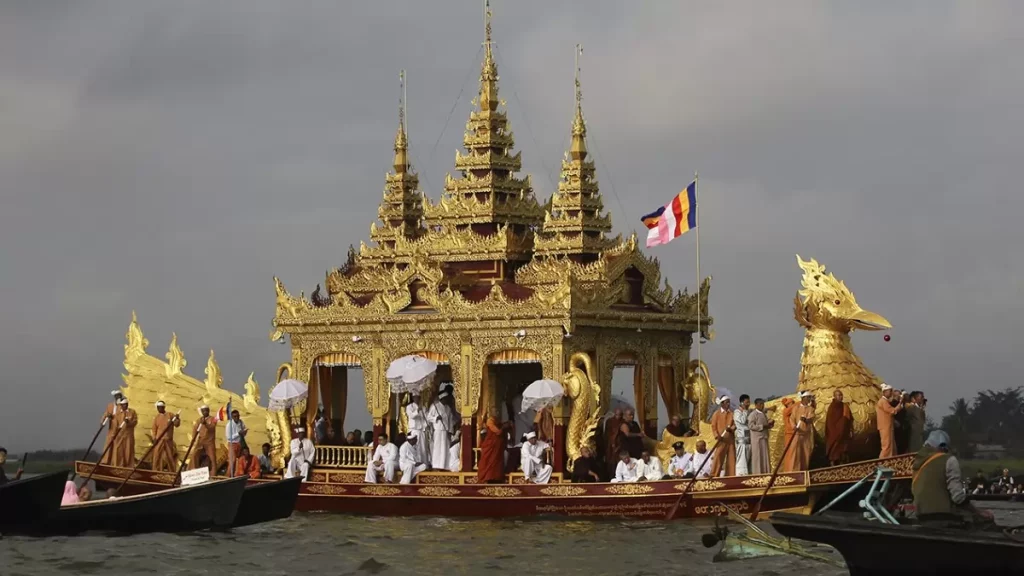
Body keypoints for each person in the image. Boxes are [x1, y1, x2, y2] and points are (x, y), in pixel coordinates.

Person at [912, 429, 994, 526]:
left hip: (921, 518)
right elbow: (958, 498)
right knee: (982, 521)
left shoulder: (916, 463)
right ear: (944, 446)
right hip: (944, 518)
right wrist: (979, 512)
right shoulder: (949, 460)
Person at [477, 409, 510, 484]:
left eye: (498, 411)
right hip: (490, 445)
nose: (497, 413)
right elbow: (498, 431)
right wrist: (504, 427)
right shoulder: (490, 421)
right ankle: (486, 478)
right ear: (491, 412)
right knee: (488, 462)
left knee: (497, 462)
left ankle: (497, 478)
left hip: (497, 445)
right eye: (495, 411)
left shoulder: (497, 420)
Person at [427, 390, 456, 470]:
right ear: (442, 398)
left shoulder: (448, 408)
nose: (446, 400)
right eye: (445, 398)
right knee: (438, 448)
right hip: (438, 430)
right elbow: (428, 418)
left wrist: (450, 431)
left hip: (446, 431)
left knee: (445, 448)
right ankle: (437, 465)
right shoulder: (435, 406)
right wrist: (436, 418)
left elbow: (450, 421)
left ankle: (445, 466)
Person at [825, 390, 853, 466]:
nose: (840, 397)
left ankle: (842, 462)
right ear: (834, 396)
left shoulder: (845, 406)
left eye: (841, 395)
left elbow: (849, 419)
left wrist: (850, 429)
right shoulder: (832, 407)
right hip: (834, 432)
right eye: (838, 395)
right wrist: (833, 430)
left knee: (843, 448)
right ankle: (832, 462)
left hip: (844, 431)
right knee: (834, 447)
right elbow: (829, 421)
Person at [789, 391, 816, 471]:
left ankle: (804, 470)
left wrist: (806, 420)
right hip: (797, 433)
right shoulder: (796, 408)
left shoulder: (810, 409)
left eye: (810, 397)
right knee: (795, 453)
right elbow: (792, 419)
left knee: (805, 453)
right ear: (803, 398)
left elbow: (811, 419)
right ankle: (794, 471)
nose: (809, 399)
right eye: (808, 397)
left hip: (806, 434)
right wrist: (794, 426)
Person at [151, 401, 180, 472]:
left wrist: (177, 419)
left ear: (164, 407)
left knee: (169, 456)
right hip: (159, 439)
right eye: (158, 408)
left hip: (168, 439)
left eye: (160, 407)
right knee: (157, 455)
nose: (159, 409)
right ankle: (156, 471)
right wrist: (154, 438)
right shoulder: (157, 417)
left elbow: (177, 424)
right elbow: (154, 429)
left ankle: (171, 471)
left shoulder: (170, 415)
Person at [710, 396, 736, 477]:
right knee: (718, 456)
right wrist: (717, 436)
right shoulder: (716, 414)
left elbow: (734, 425)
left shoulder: (731, 413)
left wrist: (731, 429)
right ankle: (714, 474)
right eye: (726, 402)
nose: (728, 404)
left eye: (729, 402)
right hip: (721, 439)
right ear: (722, 403)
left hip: (730, 439)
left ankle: (731, 475)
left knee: (731, 458)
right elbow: (713, 426)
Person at [876, 383, 903, 458]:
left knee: (891, 445)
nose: (891, 393)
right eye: (889, 391)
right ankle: (883, 461)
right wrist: (900, 403)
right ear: (884, 392)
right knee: (887, 445)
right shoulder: (883, 401)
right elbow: (892, 411)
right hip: (885, 426)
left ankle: (891, 459)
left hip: (888, 426)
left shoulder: (886, 401)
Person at [748, 398, 774, 474]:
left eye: (763, 404)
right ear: (756, 405)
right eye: (760, 404)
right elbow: (751, 426)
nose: (762, 406)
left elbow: (766, 423)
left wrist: (770, 423)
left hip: (764, 438)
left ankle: (765, 472)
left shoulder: (763, 414)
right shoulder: (753, 414)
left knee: (764, 456)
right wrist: (762, 426)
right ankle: (757, 473)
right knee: (757, 457)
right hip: (757, 439)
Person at [190, 405, 219, 474]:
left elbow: (212, 427)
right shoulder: (199, 420)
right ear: (202, 412)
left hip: (209, 442)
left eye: (206, 410)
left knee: (212, 457)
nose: (205, 412)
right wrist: (193, 439)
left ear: (209, 411)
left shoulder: (214, 419)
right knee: (194, 455)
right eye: (203, 411)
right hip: (201, 442)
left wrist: (205, 424)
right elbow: (195, 430)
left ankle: (213, 473)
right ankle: (193, 472)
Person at [112, 397, 138, 468]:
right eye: (123, 404)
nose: (125, 406)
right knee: (118, 450)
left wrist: (129, 423)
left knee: (128, 451)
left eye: (126, 404)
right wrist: (114, 435)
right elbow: (115, 425)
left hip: (128, 435)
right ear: (121, 405)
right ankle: (118, 466)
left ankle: (129, 467)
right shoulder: (117, 414)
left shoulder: (132, 412)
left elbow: (135, 422)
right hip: (119, 435)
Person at [100, 390, 124, 465]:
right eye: (116, 396)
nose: (117, 397)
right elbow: (106, 414)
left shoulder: (123, 405)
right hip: (111, 428)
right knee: (108, 444)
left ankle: (116, 463)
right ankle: (105, 461)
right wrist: (102, 421)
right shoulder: (110, 406)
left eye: (119, 396)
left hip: (120, 429)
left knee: (117, 446)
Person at [226, 407, 248, 478]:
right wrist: (238, 434)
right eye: (235, 416)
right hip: (232, 444)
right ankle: (228, 476)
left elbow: (243, 430)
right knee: (232, 461)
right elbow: (229, 437)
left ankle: (238, 475)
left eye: (238, 416)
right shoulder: (229, 425)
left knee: (242, 460)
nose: (237, 417)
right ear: (232, 417)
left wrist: (244, 432)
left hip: (240, 443)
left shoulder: (241, 422)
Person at [734, 395, 752, 476]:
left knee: (748, 458)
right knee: (742, 459)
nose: (748, 404)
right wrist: (744, 411)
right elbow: (742, 421)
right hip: (741, 439)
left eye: (749, 402)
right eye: (747, 402)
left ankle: (748, 475)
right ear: (742, 402)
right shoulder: (737, 412)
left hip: (748, 438)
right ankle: (740, 475)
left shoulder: (748, 411)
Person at [604, 408, 623, 477]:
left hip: (620, 444)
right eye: (617, 415)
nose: (619, 416)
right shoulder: (609, 421)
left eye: (620, 415)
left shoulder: (623, 421)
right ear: (614, 414)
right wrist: (612, 443)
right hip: (610, 445)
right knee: (611, 462)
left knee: (620, 460)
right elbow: (607, 433)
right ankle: (611, 476)